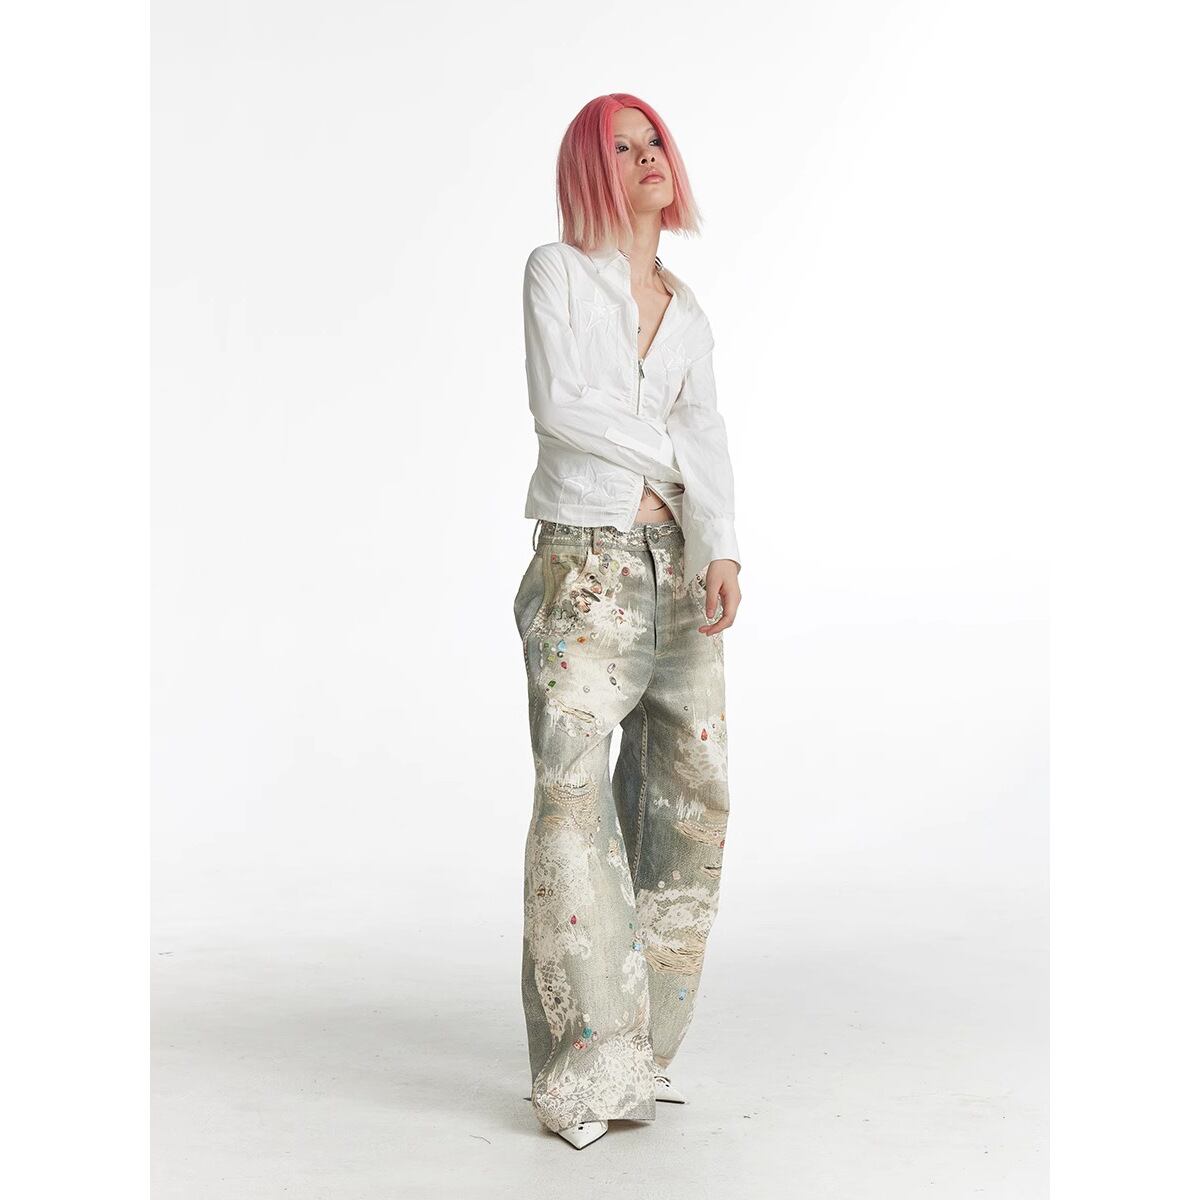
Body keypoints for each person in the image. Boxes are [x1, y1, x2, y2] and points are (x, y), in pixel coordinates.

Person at [513, 93, 742, 1150]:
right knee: (574, 806)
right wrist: (671, 464)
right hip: (587, 567)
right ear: (589, 171)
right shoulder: (557, 274)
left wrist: (719, 541)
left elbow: (707, 428)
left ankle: (638, 1055)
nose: (649, 158)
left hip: (676, 570)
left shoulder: (686, 310)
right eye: (623, 148)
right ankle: (581, 1072)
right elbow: (562, 404)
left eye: (656, 143)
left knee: (688, 801)